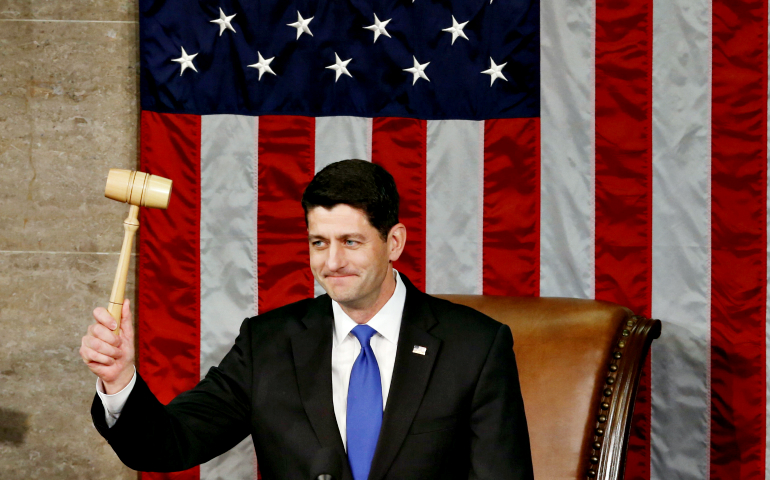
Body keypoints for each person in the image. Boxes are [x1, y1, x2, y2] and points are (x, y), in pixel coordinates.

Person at [80, 159, 534, 480]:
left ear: (394, 242)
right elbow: (169, 444)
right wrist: (120, 381)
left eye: (351, 242)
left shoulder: (475, 346)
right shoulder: (267, 343)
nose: (332, 262)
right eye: (319, 242)